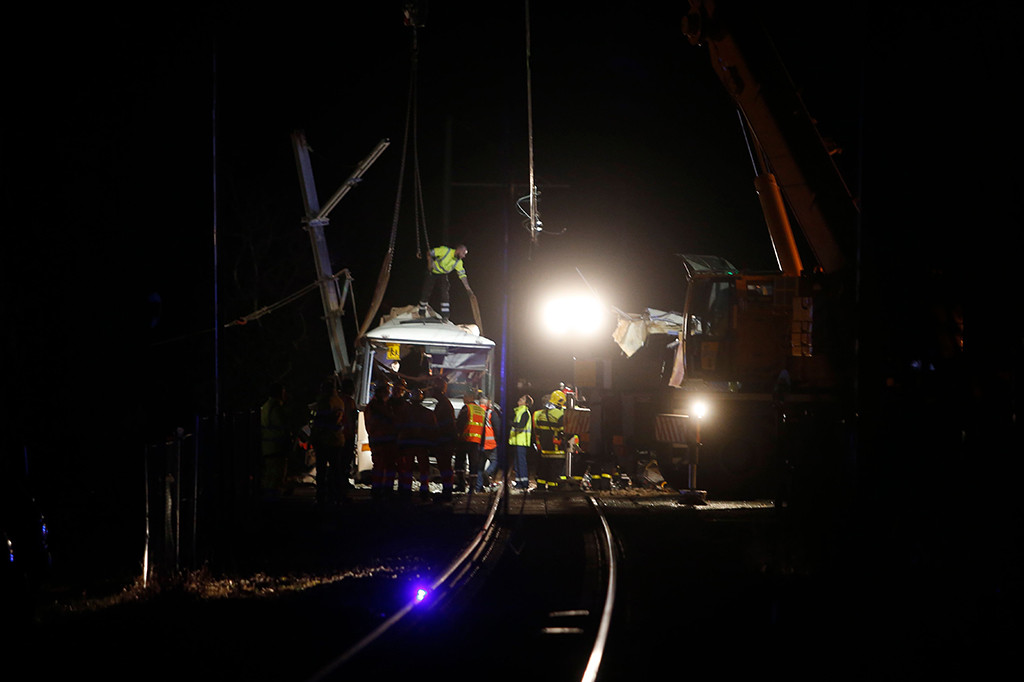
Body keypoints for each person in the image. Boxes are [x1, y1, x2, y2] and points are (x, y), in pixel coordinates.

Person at [309, 378, 347, 507]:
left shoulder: (325, 402)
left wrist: (313, 437)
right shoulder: (339, 401)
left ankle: (321, 496)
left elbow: (321, 422)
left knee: (322, 469)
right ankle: (338, 494)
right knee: (336, 469)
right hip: (336, 440)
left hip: (325, 440)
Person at [395, 388, 438, 501]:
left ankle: (406, 491)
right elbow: (433, 429)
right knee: (424, 468)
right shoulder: (428, 413)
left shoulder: (404, 412)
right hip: (421, 444)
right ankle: (424, 491)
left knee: (407, 468)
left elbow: (399, 426)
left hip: (408, 444)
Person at [418, 244, 473, 323]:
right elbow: (429, 252)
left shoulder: (458, 262)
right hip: (433, 272)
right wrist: (429, 262)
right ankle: (422, 312)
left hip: (443, 275)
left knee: (445, 293)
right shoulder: (445, 251)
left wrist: (468, 289)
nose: (464, 256)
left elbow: (462, 275)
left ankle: (445, 316)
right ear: (458, 250)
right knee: (426, 292)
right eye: (463, 253)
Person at [364, 381, 398, 500]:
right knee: (382, 466)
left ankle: (383, 489)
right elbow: (387, 420)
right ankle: (379, 490)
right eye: (386, 392)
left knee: (386, 466)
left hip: (383, 441)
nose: (388, 394)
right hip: (381, 441)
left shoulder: (379, 405)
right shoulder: (376, 407)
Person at [259, 382, 293, 497]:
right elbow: (282, 427)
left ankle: (268, 499)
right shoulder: (277, 408)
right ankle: (273, 501)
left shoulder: (266, 406)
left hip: (267, 447)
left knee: (269, 476)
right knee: (277, 476)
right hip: (277, 447)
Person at [533, 389, 566, 491]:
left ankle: (541, 487)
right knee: (554, 470)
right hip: (557, 449)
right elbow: (564, 431)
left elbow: (538, 430)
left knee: (543, 470)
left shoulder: (542, 414)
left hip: (545, 448)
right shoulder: (560, 414)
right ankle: (553, 488)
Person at [430, 376, 457, 502]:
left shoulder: (443, 405)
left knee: (445, 467)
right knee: (444, 467)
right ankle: (447, 491)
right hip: (445, 441)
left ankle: (447, 493)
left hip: (444, 442)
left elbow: (442, 425)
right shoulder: (443, 403)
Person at [455, 390, 486, 493]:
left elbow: (460, 424)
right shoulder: (481, 410)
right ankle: (472, 488)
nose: (463, 399)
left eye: (465, 396)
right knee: (474, 465)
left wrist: (456, 436)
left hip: (465, 440)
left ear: (470, 397)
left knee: (460, 463)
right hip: (476, 442)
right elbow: (483, 429)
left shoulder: (466, 408)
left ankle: (461, 485)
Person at [508, 394, 534, 491]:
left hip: (521, 442)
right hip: (517, 441)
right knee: (517, 463)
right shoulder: (519, 412)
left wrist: (512, 424)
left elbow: (521, 425)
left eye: (522, 399)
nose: (519, 399)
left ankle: (524, 482)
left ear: (526, 403)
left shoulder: (524, 412)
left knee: (521, 463)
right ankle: (519, 482)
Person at [475, 396, 500, 492]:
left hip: (478, 442)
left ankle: (478, 487)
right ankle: (488, 472)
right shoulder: (491, 413)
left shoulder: (476, 412)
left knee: (480, 466)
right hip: (490, 442)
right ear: (487, 403)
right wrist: (498, 440)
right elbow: (497, 428)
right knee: (495, 460)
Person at [338, 376, 358, 496]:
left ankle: (339, 482)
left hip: (339, 435)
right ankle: (343, 482)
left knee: (340, 460)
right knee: (345, 460)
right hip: (347, 435)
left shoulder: (338, 399)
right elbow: (351, 419)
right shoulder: (349, 401)